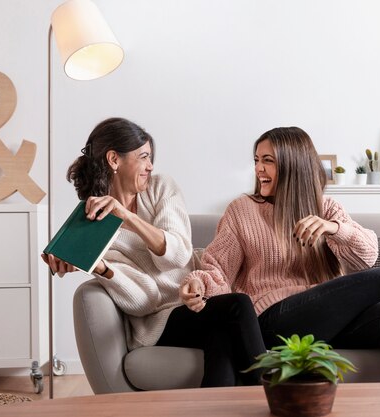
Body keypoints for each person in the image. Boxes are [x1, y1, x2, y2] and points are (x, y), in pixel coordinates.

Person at [180, 126, 380, 383]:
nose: (259, 168)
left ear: (293, 164)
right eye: (257, 160)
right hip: (275, 321)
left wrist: (333, 228)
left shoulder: (326, 208)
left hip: (328, 324)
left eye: (268, 161)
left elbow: (366, 255)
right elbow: (217, 268)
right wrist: (200, 286)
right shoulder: (242, 210)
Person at [41, 117, 265, 387]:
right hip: (161, 323)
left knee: (221, 340)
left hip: (199, 302)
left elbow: (179, 255)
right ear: (114, 159)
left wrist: (127, 216)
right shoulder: (91, 227)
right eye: (144, 157)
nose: (150, 166)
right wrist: (98, 266)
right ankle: (271, 395)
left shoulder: (161, 187)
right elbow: (147, 299)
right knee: (237, 305)